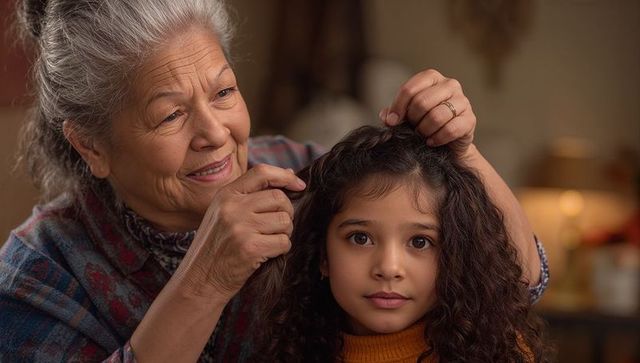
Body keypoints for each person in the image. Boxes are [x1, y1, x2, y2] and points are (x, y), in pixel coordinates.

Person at [0, 0, 547, 362]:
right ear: (91, 145)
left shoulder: (310, 178)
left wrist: (464, 151)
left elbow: (518, 280)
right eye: (170, 115)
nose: (216, 133)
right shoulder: (39, 275)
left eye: (223, 93)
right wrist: (206, 280)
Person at [253, 124, 549, 362]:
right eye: (361, 238)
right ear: (322, 256)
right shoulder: (285, 350)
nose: (389, 268)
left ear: (454, 256)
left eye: (420, 242)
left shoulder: (499, 353)